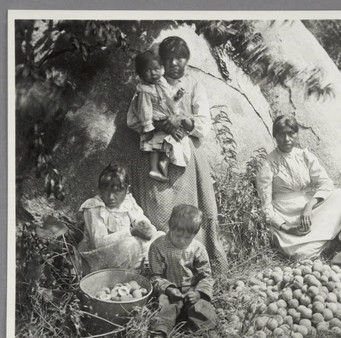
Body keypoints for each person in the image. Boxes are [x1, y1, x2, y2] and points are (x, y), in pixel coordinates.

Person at [130, 36, 228, 277]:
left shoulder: (194, 86)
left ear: (187, 59)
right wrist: (159, 122)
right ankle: (159, 271)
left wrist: (183, 120)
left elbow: (203, 125)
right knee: (158, 212)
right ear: (161, 61)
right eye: (169, 58)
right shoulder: (149, 84)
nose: (175, 63)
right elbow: (133, 120)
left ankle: (198, 268)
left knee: (191, 212)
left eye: (180, 57)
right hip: (156, 154)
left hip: (187, 159)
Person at [256, 114, 341, 259]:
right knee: (301, 253)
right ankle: (325, 240)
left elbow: (326, 183)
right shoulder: (267, 163)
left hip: (307, 209)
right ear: (275, 136)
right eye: (282, 134)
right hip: (285, 213)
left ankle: (327, 239)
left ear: (297, 134)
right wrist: (287, 228)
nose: (287, 139)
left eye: (291, 133)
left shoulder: (304, 155)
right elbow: (265, 206)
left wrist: (309, 205)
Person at [148, 204, 217, 338]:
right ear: (170, 226)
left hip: (191, 290)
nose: (181, 240)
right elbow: (155, 276)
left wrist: (199, 293)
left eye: (187, 237)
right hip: (170, 291)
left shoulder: (197, 248)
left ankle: (205, 332)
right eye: (177, 234)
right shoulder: (158, 246)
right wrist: (169, 289)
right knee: (165, 310)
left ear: (194, 235)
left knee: (202, 308)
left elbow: (206, 276)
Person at [77, 165, 164, 274]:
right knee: (130, 245)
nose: (111, 197)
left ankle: (149, 271)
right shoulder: (94, 207)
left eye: (117, 192)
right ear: (99, 189)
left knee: (161, 237)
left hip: (125, 245)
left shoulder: (127, 200)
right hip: (100, 254)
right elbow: (98, 243)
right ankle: (120, 276)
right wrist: (132, 231)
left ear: (127, 190)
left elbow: (138, 216)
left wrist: (143, 225)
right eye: (106, 191)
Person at [127, 51, 192, 183]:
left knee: (173, 139)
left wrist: (177, 97)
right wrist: (148, 127)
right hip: (156, 119)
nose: (153, 73)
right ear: (140, 73)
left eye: (156, 69)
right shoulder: (144, 90)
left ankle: (165, 161)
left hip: (166, 115)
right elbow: (145, 111)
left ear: (161, 68)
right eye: (148, 70)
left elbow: (169, 99)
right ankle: (154, 168)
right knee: (154, 145)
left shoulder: (161, 82)